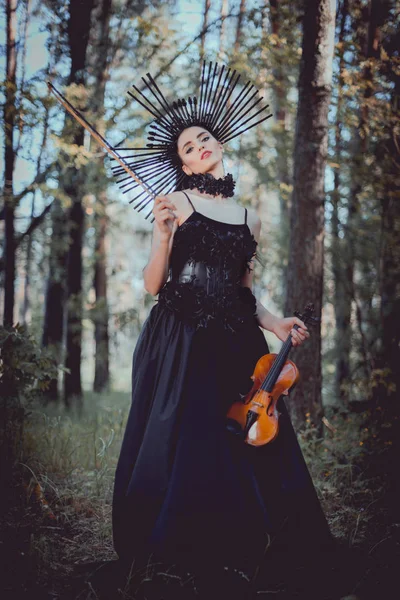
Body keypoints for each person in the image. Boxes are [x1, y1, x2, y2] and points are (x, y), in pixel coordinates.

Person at [110, 63, 335, 600]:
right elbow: (151, 285)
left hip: (237, 338)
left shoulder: (250, 216)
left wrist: (277, 322)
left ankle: (248, 545)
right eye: (188, 146)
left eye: (205, 137)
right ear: (180, 162)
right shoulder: (177, 205)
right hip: (180, 337)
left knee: (245, 437)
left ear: (219, 143)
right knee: (185, 436)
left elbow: (244, 292)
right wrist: (163, 235)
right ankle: (179, 545)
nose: (200, 146)